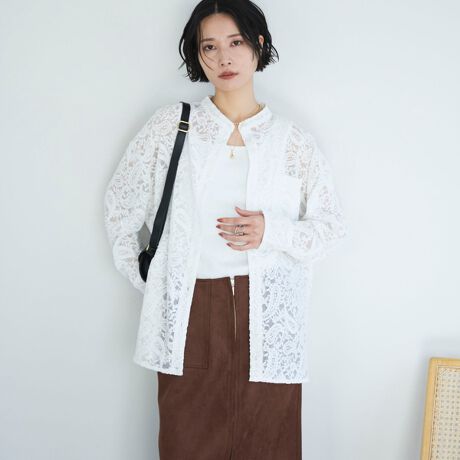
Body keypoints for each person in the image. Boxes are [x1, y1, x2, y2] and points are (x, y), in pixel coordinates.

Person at [103, 0, 348, 458]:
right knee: (187, 443)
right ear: (198, 56)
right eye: (209, 47)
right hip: (191, 312)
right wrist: (157, 281)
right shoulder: (172, 127)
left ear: (258, 45)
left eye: (236, 42)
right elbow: (121, 207)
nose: (224, 58)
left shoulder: (291, 141)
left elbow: (331, 227)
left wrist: (271, 231)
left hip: (268, 316)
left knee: (270, 446)